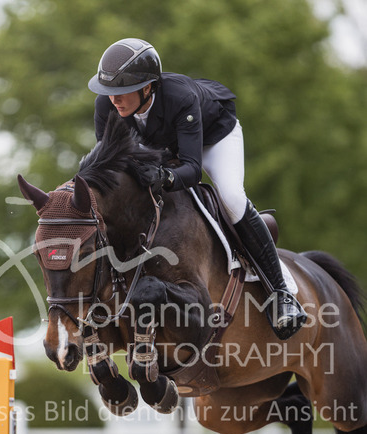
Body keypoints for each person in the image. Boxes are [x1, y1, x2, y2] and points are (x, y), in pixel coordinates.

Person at [88, 37, 307, 340]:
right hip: (162, 146)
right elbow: (111, 164)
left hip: (213, 138)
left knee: (231, 197)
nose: (114, 99)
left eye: (122, 91)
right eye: (109, 91)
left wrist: (165, 177)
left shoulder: (180, 97)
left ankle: (280, 293)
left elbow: (191, 168)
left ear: (148, 88)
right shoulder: (106, 105)